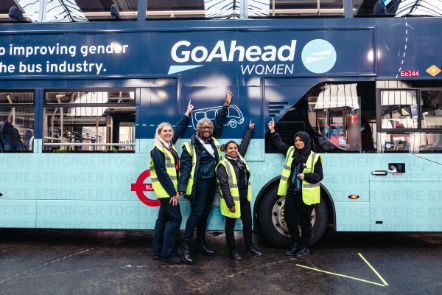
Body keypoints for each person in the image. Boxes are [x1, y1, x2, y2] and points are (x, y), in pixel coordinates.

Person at [178, 90, 233, 264]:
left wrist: (225, 106)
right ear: (198, 130)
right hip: (198, 185)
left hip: (210, 184)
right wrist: (181, 187)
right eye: (204, 127)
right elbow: (185, 168)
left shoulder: (213, 142)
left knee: (205, 214)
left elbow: (219, 121)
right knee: (196, 214)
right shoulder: (190, 146)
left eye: (209, 128)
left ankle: (200, 244)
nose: (207, 129)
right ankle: (185, 247)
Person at [268, 118, 323, 259]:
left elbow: (319, 176)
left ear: (306, 141)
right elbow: (279, 145)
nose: (297, 142)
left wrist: (306, 176)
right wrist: (273, 131)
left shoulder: (315, 157)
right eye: (296, 140)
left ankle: (305, 247)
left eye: (300, 140)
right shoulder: (291, 151)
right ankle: (296, 244)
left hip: (306, 194)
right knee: (289, 218)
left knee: (305, 221)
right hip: (292, 192)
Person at [150, 101, 194, 264]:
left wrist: (187, 113)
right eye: (165, 131)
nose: (168, 133)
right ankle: (167, 254)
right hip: (166, 191)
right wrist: (173, 194)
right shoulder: (157, 149)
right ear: (159, 133)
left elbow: (179, 129)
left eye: (169, 131)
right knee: (175, 219)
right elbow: (162, 174)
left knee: (162, 220)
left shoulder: (168, 145)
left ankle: (157, 251)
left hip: (167, 191)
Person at [216, 120, 262, 261]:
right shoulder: (223, 165)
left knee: (248, 223)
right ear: (226, 150)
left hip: (244, 198)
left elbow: (244, 144)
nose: (234, 150)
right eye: (230, 148)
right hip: (232, 201)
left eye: (235, 148)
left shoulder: (239, 158)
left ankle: (249, 247)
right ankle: (233, 251)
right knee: (230, 226)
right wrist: (230, 203)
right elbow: (224, 186)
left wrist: (250, 130)